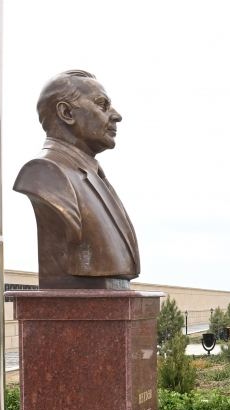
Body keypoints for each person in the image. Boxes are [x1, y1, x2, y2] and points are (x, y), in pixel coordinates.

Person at [14, 70, 140, 289]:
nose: (117, 115)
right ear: (66, 113)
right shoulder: (45, 174)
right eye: (103, 105)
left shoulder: (92, 174)